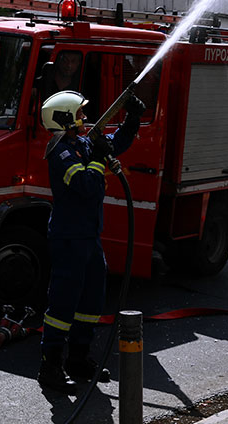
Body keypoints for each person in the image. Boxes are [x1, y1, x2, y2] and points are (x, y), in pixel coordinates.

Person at [36, 90, 145, 394]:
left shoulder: (80, 143)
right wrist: (98, 160)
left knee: (92, 298)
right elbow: (86, 185)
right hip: (69, 238)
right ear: (65, 119)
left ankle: (79, 357)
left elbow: (115, 144)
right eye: (80, 114)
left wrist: (132, 119)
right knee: (63, 303)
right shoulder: (60, 152)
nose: (85, 118)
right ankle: (51, 365)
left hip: (88, 237)